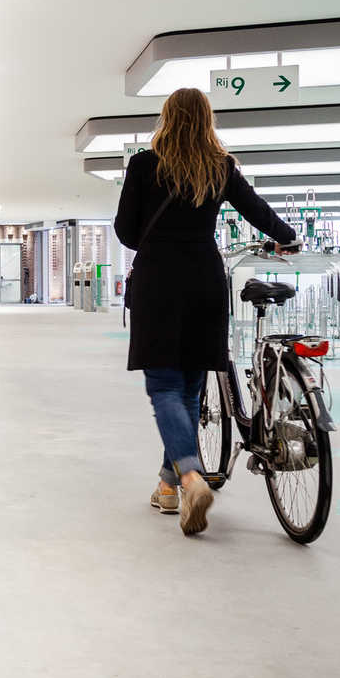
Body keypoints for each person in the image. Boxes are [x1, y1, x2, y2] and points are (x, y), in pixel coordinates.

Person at [114, 88, 297, 535]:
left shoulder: (143, 164)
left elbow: (124, 230)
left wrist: (156, 244)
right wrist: (287, 235)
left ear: (167, 118)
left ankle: (192, 477)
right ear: (206, 120)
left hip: (159, 281)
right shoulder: (220, 166)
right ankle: (168, 485)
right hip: (205, 280)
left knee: (164, 387)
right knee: (191, 387)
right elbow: (257, 210)